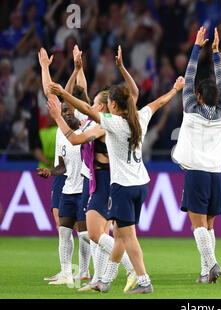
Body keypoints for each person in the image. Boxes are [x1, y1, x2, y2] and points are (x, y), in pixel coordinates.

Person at [48, 73, 184, 295]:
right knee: (119, 236)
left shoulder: (113, 124)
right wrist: (175, 90)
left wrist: (63, 95)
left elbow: (86, 113)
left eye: (107, 102)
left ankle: (144, 280)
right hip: (142, 183)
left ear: (112, 104)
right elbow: (156, 103)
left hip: (122, 186)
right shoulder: (139, 117)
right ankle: (105, 281)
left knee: (127, 237)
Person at [48, 46, 141, 292]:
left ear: (103, 106)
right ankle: (101, 278)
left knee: (97, 234)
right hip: (95, 181)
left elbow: (77, 127)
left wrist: (59, 112)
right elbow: (75, 94)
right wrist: (78, 68)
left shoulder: (105, 125)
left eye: (100, 102)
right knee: (97, 234)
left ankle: (133, 270)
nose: (93, 103)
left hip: (104, 181)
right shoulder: (91, 120)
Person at [172, 27, 221, 284]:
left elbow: (189, 74)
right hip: (216, 173)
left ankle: (213, 265)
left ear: (198, 96)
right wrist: (216, 54)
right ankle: (206, 273)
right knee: (209, 225)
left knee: (198, 225)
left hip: (196, 171)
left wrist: (197, 47)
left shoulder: (191, 108)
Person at [37, 47, 90, 283]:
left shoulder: (80, 117)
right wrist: (45, 68)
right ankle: (66, 271)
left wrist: (78, 69)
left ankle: (86, 271)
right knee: (62, 226)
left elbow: (81, 93)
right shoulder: (61, 118)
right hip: (63, 176)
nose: (64, 106)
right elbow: (51, 93)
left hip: (82, 177)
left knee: (84, 230)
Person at [37, 103, 84, 286]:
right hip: (67, 190)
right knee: (63, 231)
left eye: (71, 109)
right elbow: (62, 165)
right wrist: (50, 172)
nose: (68, 113)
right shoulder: (59, 133)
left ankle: (86, 272)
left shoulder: (86, 131)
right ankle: (66, 274)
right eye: (64, 110)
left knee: (88, 234)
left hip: (83, 189)